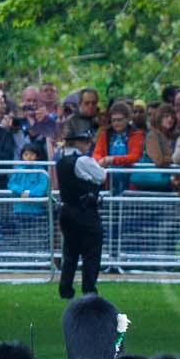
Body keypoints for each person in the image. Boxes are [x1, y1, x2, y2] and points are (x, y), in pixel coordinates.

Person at [54, 116, 108, 299]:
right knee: (91, 252)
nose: (88, 144)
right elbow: (101, 176)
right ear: (77, 142)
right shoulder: (83, 161)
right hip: (84, 211)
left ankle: (66, 288)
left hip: (66, 210)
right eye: (86, 141)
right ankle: (89, 289)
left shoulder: (61, 161)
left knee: (70, 252)